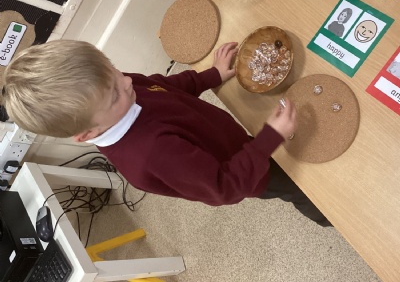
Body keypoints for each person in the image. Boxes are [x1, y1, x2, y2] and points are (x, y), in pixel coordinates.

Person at [2, 39, 330, 226]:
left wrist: (211, 75)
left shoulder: (118, 87)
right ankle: (330, 218)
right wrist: (269, 139)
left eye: (114, 69)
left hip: (230, 141)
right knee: (304, 190)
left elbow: (163, 86)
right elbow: (224, 187)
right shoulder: (152, 156)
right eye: (114, 94)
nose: (127, 81)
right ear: (87, 133)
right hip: (244, 172)